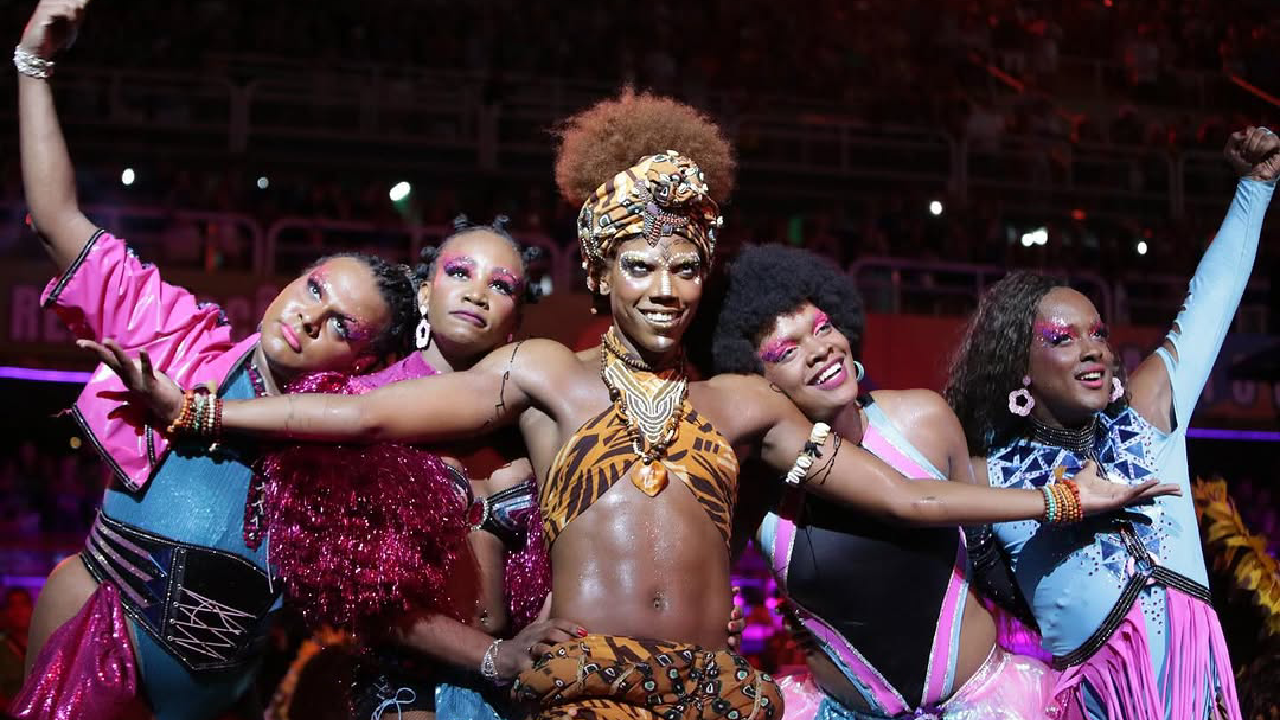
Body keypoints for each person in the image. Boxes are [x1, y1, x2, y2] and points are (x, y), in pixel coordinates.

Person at [93, 92, 1175, 720]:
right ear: (601, 275)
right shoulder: (544, 376)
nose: (664, 289)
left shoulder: (743, 403)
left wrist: (1057, 501)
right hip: (582, 688)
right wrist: (204, 414)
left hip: (715, 694)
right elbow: (365, 419)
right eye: (641, 267)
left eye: (684, 269)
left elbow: (906, 500)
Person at [9, 2, 417, 718]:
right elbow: (57, 222)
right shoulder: (178, 334)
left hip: (226, 697)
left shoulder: (353, 435)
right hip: (95, 645)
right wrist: (34, 65)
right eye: (313, 288)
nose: (307, 316)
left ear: (365, 360)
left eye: (340, 324)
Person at [943, 126, 1280, 720]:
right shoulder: (985, 475)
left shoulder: (1147, 417)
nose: (1093, 347)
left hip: (1200, 704)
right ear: (1017, 365)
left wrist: (1255, 188)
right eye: (1063, 338)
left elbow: (1213, 300)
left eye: (1098, 332)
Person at [708, 244, 1055, 719]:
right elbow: (699, 582)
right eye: (787, 351)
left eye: (823, 328)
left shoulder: (925, 419)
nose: (820, 350)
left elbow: (986, 554)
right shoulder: (760, 490)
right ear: (755, 383)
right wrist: (721, 618)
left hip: (989, 704)